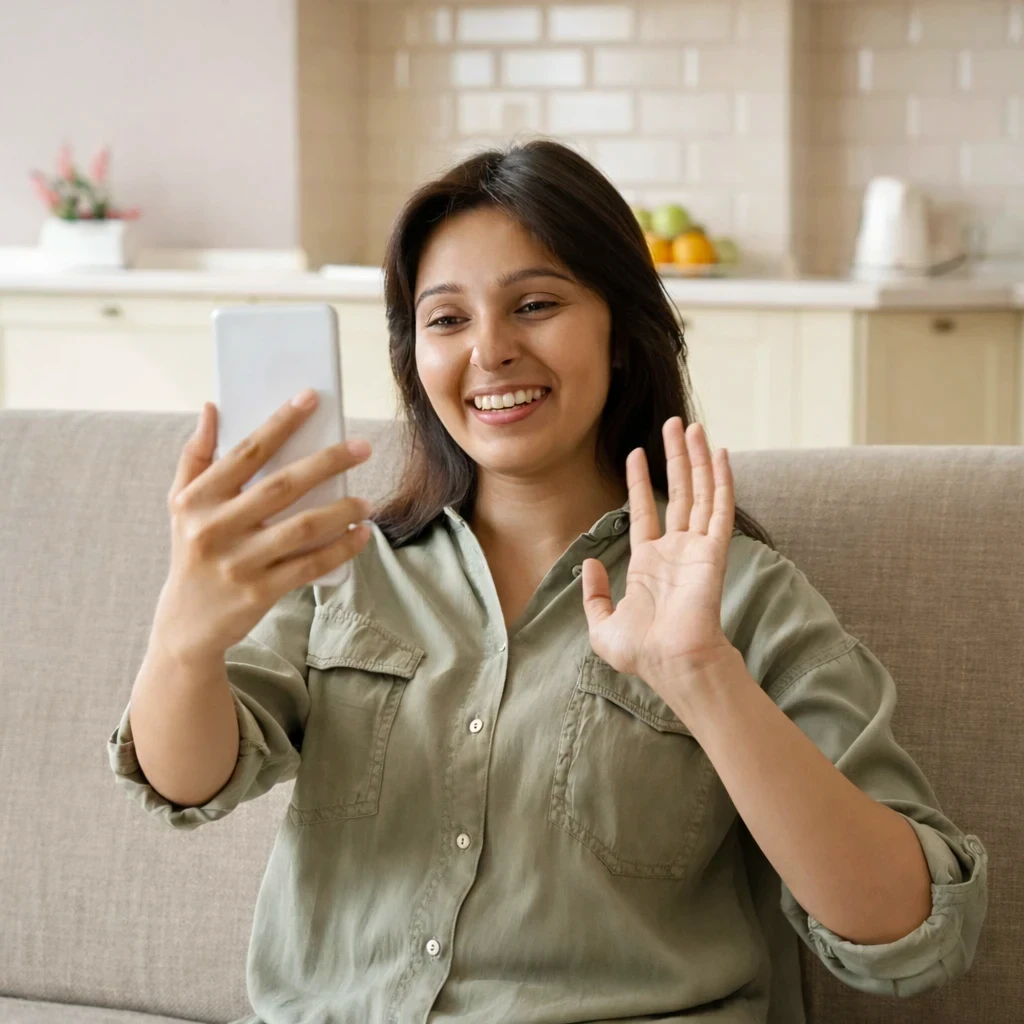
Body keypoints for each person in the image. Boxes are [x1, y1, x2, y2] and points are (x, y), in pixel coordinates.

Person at [107, 138, 988, 1024]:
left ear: (620, 338)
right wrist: (184, 637)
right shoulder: (343, 568)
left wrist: (701, 675)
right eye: (446, 320)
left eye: (535, 305)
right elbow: (189, 784)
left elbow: (911, 930)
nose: (490, 351)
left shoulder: (743, 597)